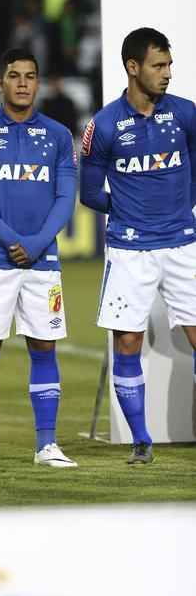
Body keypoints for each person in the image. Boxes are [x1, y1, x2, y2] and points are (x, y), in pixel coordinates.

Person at [0, 48, 78, 470]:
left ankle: (47, 445)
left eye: (30, 76)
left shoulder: (60, 136)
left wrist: (39, 241)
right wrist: (12, 240)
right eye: (14, 75)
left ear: (38, 83)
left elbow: (66, 196)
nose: (23, 83)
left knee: (44, 347)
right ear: (0, 83)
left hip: (42, 261)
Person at [80, 27, 196, 464]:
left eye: (168, 65)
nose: (166, 74)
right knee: (126, 342)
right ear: (133, 67)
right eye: (158, 66)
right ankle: (141, 441)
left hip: (184, 245)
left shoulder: (186, 114)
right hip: (130, 250)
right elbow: (90, 193)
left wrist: (179, 209)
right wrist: (131, 211)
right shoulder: (104, 126)